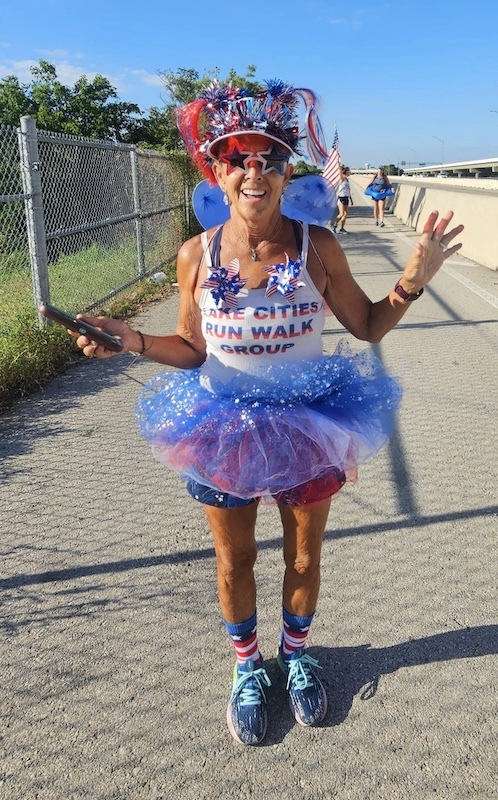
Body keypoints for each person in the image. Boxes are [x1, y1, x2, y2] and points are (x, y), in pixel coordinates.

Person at [70, 79, 463, 747]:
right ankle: (249, 667)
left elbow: (367, 326)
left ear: (287, 171)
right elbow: (194, 346)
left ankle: (299, 656)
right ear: (216, 172)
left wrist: (412, 282)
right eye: (237, 158)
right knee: (235, 561)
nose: (254, 170)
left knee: (304, 559)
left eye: (270, 158)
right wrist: (130, 340)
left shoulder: (318, 247)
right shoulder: (196, 253)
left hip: (310, 426)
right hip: (221, 429)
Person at [332, 165, 353, 235]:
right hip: (341, 197)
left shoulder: (347, 180)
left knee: (345, 214)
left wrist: (351, 199)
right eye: (348, 171)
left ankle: (342, 228)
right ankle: (334, 225)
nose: (349, 172)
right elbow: (340, 173)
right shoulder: (342, 179)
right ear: (345, 172)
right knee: (341, 214)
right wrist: (339, 166)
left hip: (346, 197)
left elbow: (348, 190)